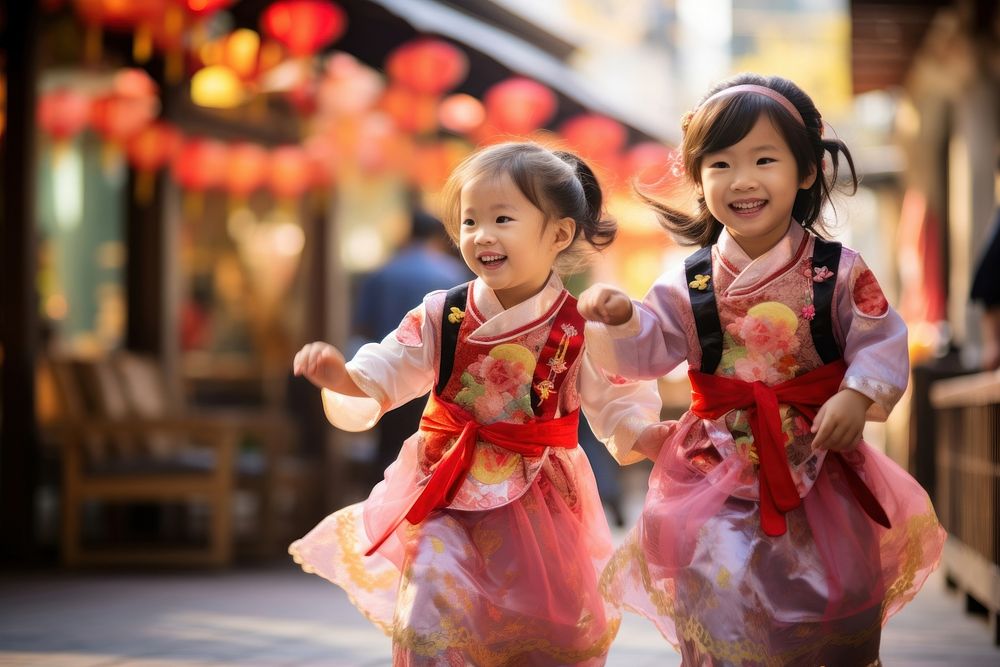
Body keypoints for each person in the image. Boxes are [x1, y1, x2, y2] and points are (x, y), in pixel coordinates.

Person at [579, 73, 946, 665]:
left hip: (821, 462)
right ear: (699, 180)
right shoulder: (689, 281)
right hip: (714, 468)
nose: (742, 180)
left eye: (764, 159)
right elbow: (646, 354)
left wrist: (857, 395)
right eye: (720, 163)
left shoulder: (839, 271)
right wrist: (621, 319)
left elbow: (880, 338)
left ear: (805, 171)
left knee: (836, 600)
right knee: (716, 594)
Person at [289, 141, 662, 665]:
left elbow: (617, 401)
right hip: (446, 491)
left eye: (502, 218)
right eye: (469, 221)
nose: (481, 235)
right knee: (432, 604)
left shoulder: (579, 326)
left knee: (537, 634)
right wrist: (344, 377)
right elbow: (388, 368)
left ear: (559, 233)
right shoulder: (444, 313)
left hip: (542, 505)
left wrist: (646, 435)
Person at [353, 207, 472, 484]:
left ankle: (382, 512)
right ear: (437, 237)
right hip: (435, 381)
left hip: (389, 373)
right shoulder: (454, 276)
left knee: (386, 448)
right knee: (429, 454)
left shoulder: (383, 272)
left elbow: (362, 326)